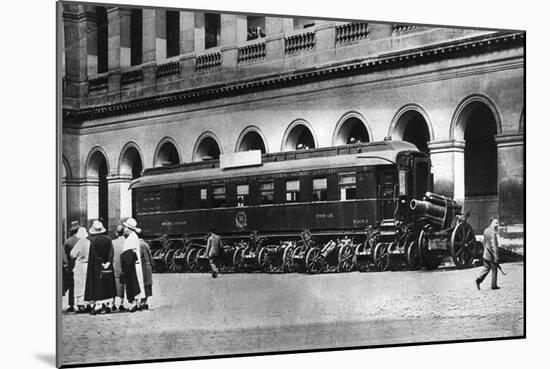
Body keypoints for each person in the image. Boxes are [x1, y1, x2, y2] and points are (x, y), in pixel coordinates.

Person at [84, 220, 117, 314]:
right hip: (108, 266)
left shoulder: (93, 240)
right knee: (108, 284)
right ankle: (109, 304)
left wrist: (101, 262)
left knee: (98, 285)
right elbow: (111, 252)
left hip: (97, 266)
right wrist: (108, 262)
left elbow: (94, 253)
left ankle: (98, 305)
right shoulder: (109, 239)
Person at [122, 218, 146, 311]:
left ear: (128, 228)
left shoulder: (131, 238)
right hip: (135, 263)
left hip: (131, 264)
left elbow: (128, 253)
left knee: (133, 283)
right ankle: (137, 302)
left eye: (125, 227)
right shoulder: (134, 237)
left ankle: (134, 303)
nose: (125, 229)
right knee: (137, 283)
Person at [70, 226, 91, 313]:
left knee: (79, 285)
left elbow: (72, 254)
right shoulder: (89, 242)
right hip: (88, 265)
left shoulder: (79, 243)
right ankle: (88, 304)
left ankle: (80, 304)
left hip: (80, 266)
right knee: (87, 285)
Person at [476, 217, 500, 290]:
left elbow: (484, 242)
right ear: (491, 223)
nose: (497, 225)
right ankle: (494, 285)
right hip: (491, 254)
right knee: (494, 269)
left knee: (486, 268)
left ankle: (479, 279)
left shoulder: (486, 230)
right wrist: (496, 257)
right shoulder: (492, 232)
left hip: (486, 253)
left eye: (497, 223)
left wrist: (485, 250)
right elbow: (494, 246)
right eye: (495, 223)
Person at [62, 221, 80, 312]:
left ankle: (71, 304)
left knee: (72, 286)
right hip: (80, 264)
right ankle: (82, 304)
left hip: (71, 265)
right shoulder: (82, 240)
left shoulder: (67, 242)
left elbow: (65, 255)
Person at [111, 225, 126, 311]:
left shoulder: (113, 242)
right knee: (122, 284)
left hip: (115, 265)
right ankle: (121, 303)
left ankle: (112, 303)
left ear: (116, 233)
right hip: (124, 266)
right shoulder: (127, 241)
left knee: (114, 284)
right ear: (123, 232)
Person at [139, 237, 153, 309]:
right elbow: (150, 256)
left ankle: (142, 302)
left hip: (142, 266)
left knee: (142, 284)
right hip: (147, 266)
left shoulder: (139, 244)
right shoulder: (145, 244)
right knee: (146, 284)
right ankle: (144, 301)